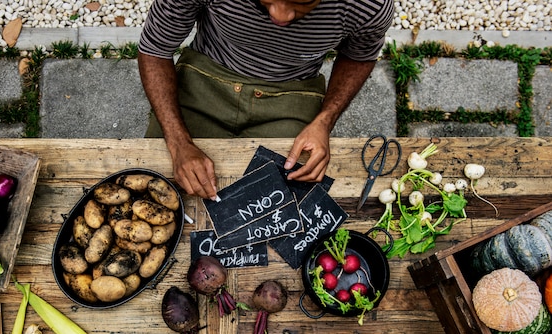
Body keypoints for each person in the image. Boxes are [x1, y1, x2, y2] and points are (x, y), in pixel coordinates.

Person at [138, 0, 394, 200]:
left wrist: (325, 121)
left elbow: (359, 56)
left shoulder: (368, 5)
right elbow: (155, 47)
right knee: (153, 188)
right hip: (207, 74)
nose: (280, 16)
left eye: (301, 3)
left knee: (287, 203)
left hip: (292, 92)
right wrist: (178, 142)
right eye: (265, 1)